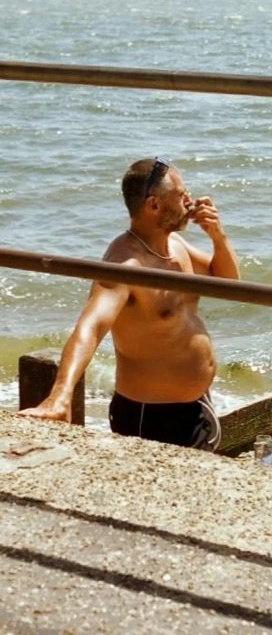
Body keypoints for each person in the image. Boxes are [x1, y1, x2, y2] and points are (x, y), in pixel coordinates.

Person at [20, 156, 240, 451]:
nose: (190, 202)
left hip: (197, 406)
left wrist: (217, 235)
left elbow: (229, 284)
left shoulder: (173, 244)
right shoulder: (126, 263)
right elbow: (91, 326)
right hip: (151, 418)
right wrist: (60, 396)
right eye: (181, 195)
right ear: (154, 205)